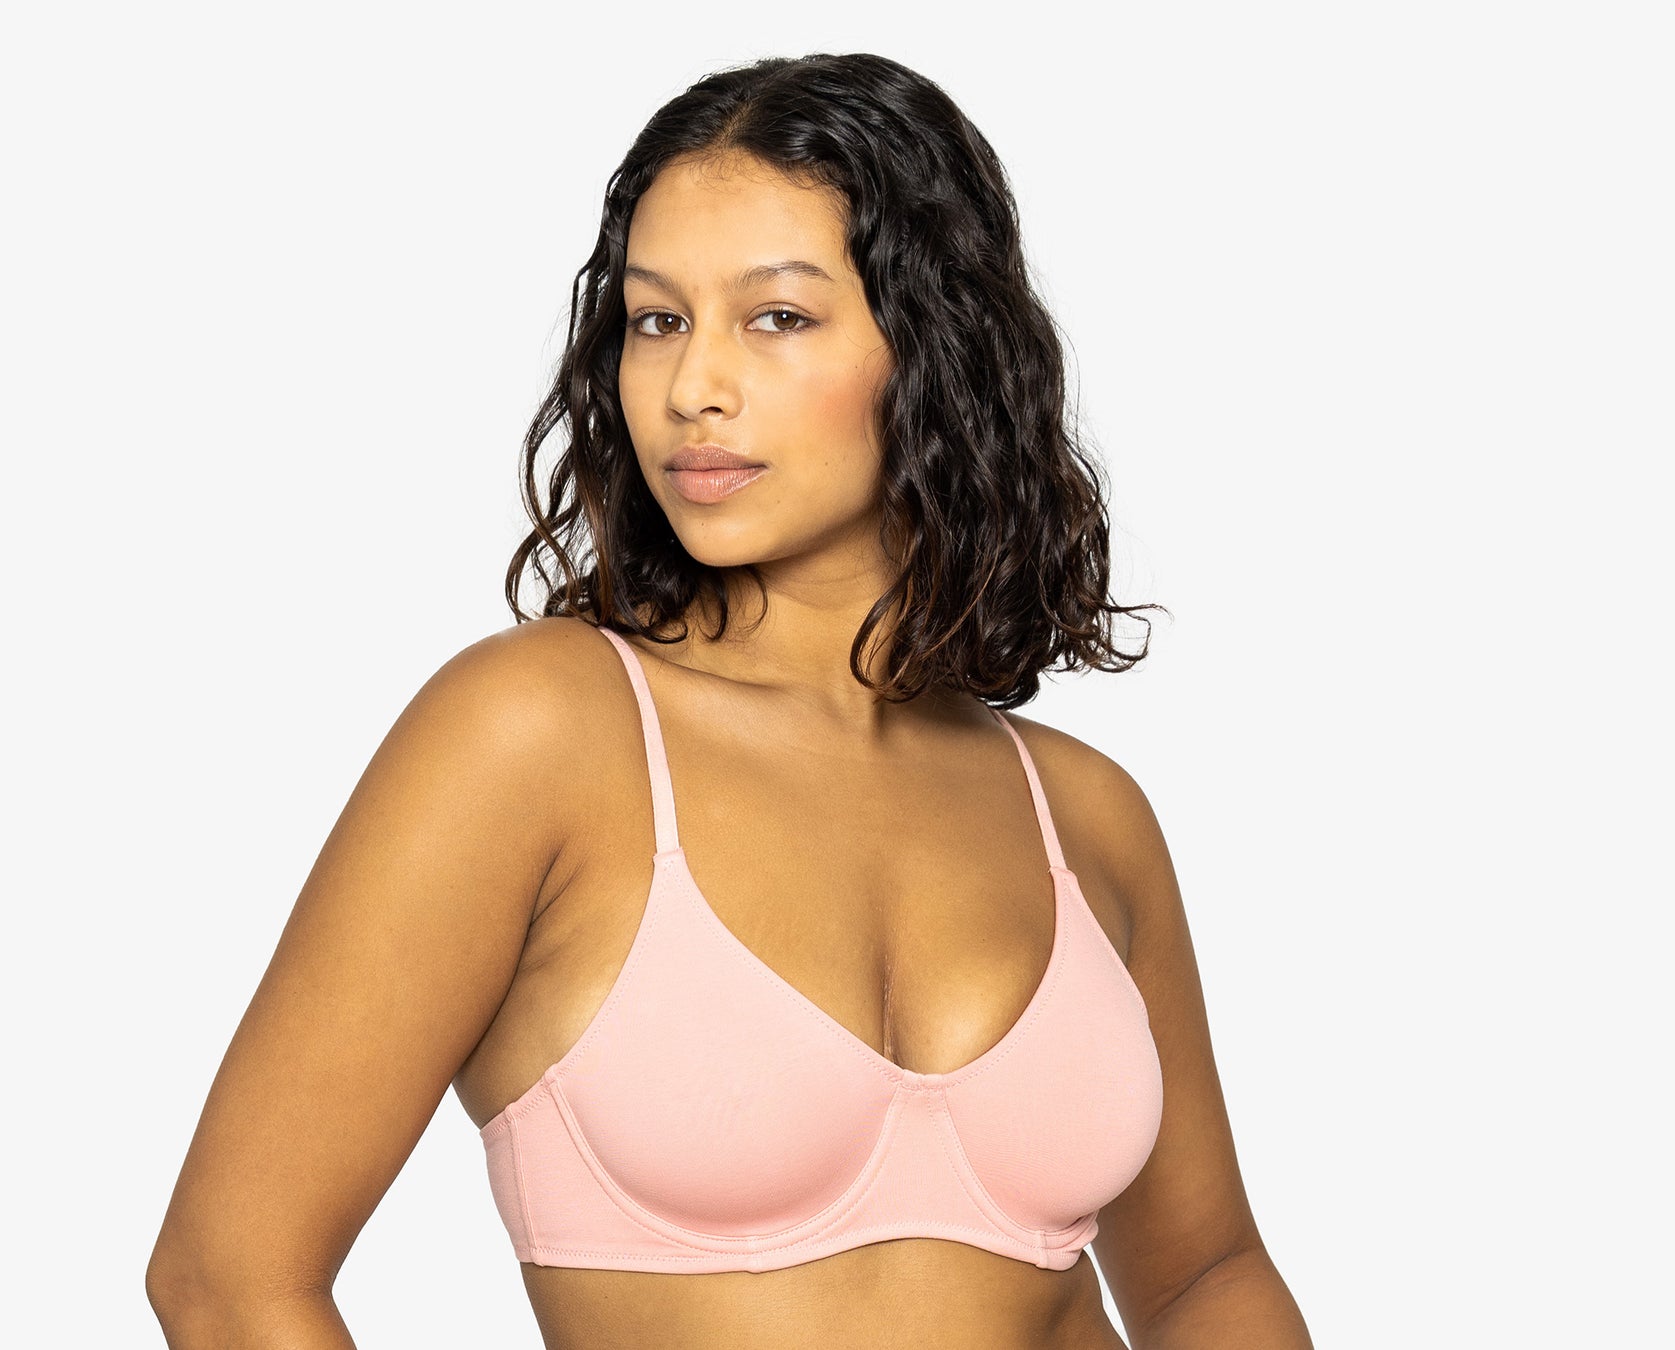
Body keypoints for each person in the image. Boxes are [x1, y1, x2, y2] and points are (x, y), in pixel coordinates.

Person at [146, 52, 1311, 1350]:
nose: (693, 384)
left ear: (938, 349)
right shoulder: (540, 732)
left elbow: (1209, 1276)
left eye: (777, 317)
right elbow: (231, 1278)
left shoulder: (1083, 813)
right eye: (656, 320)